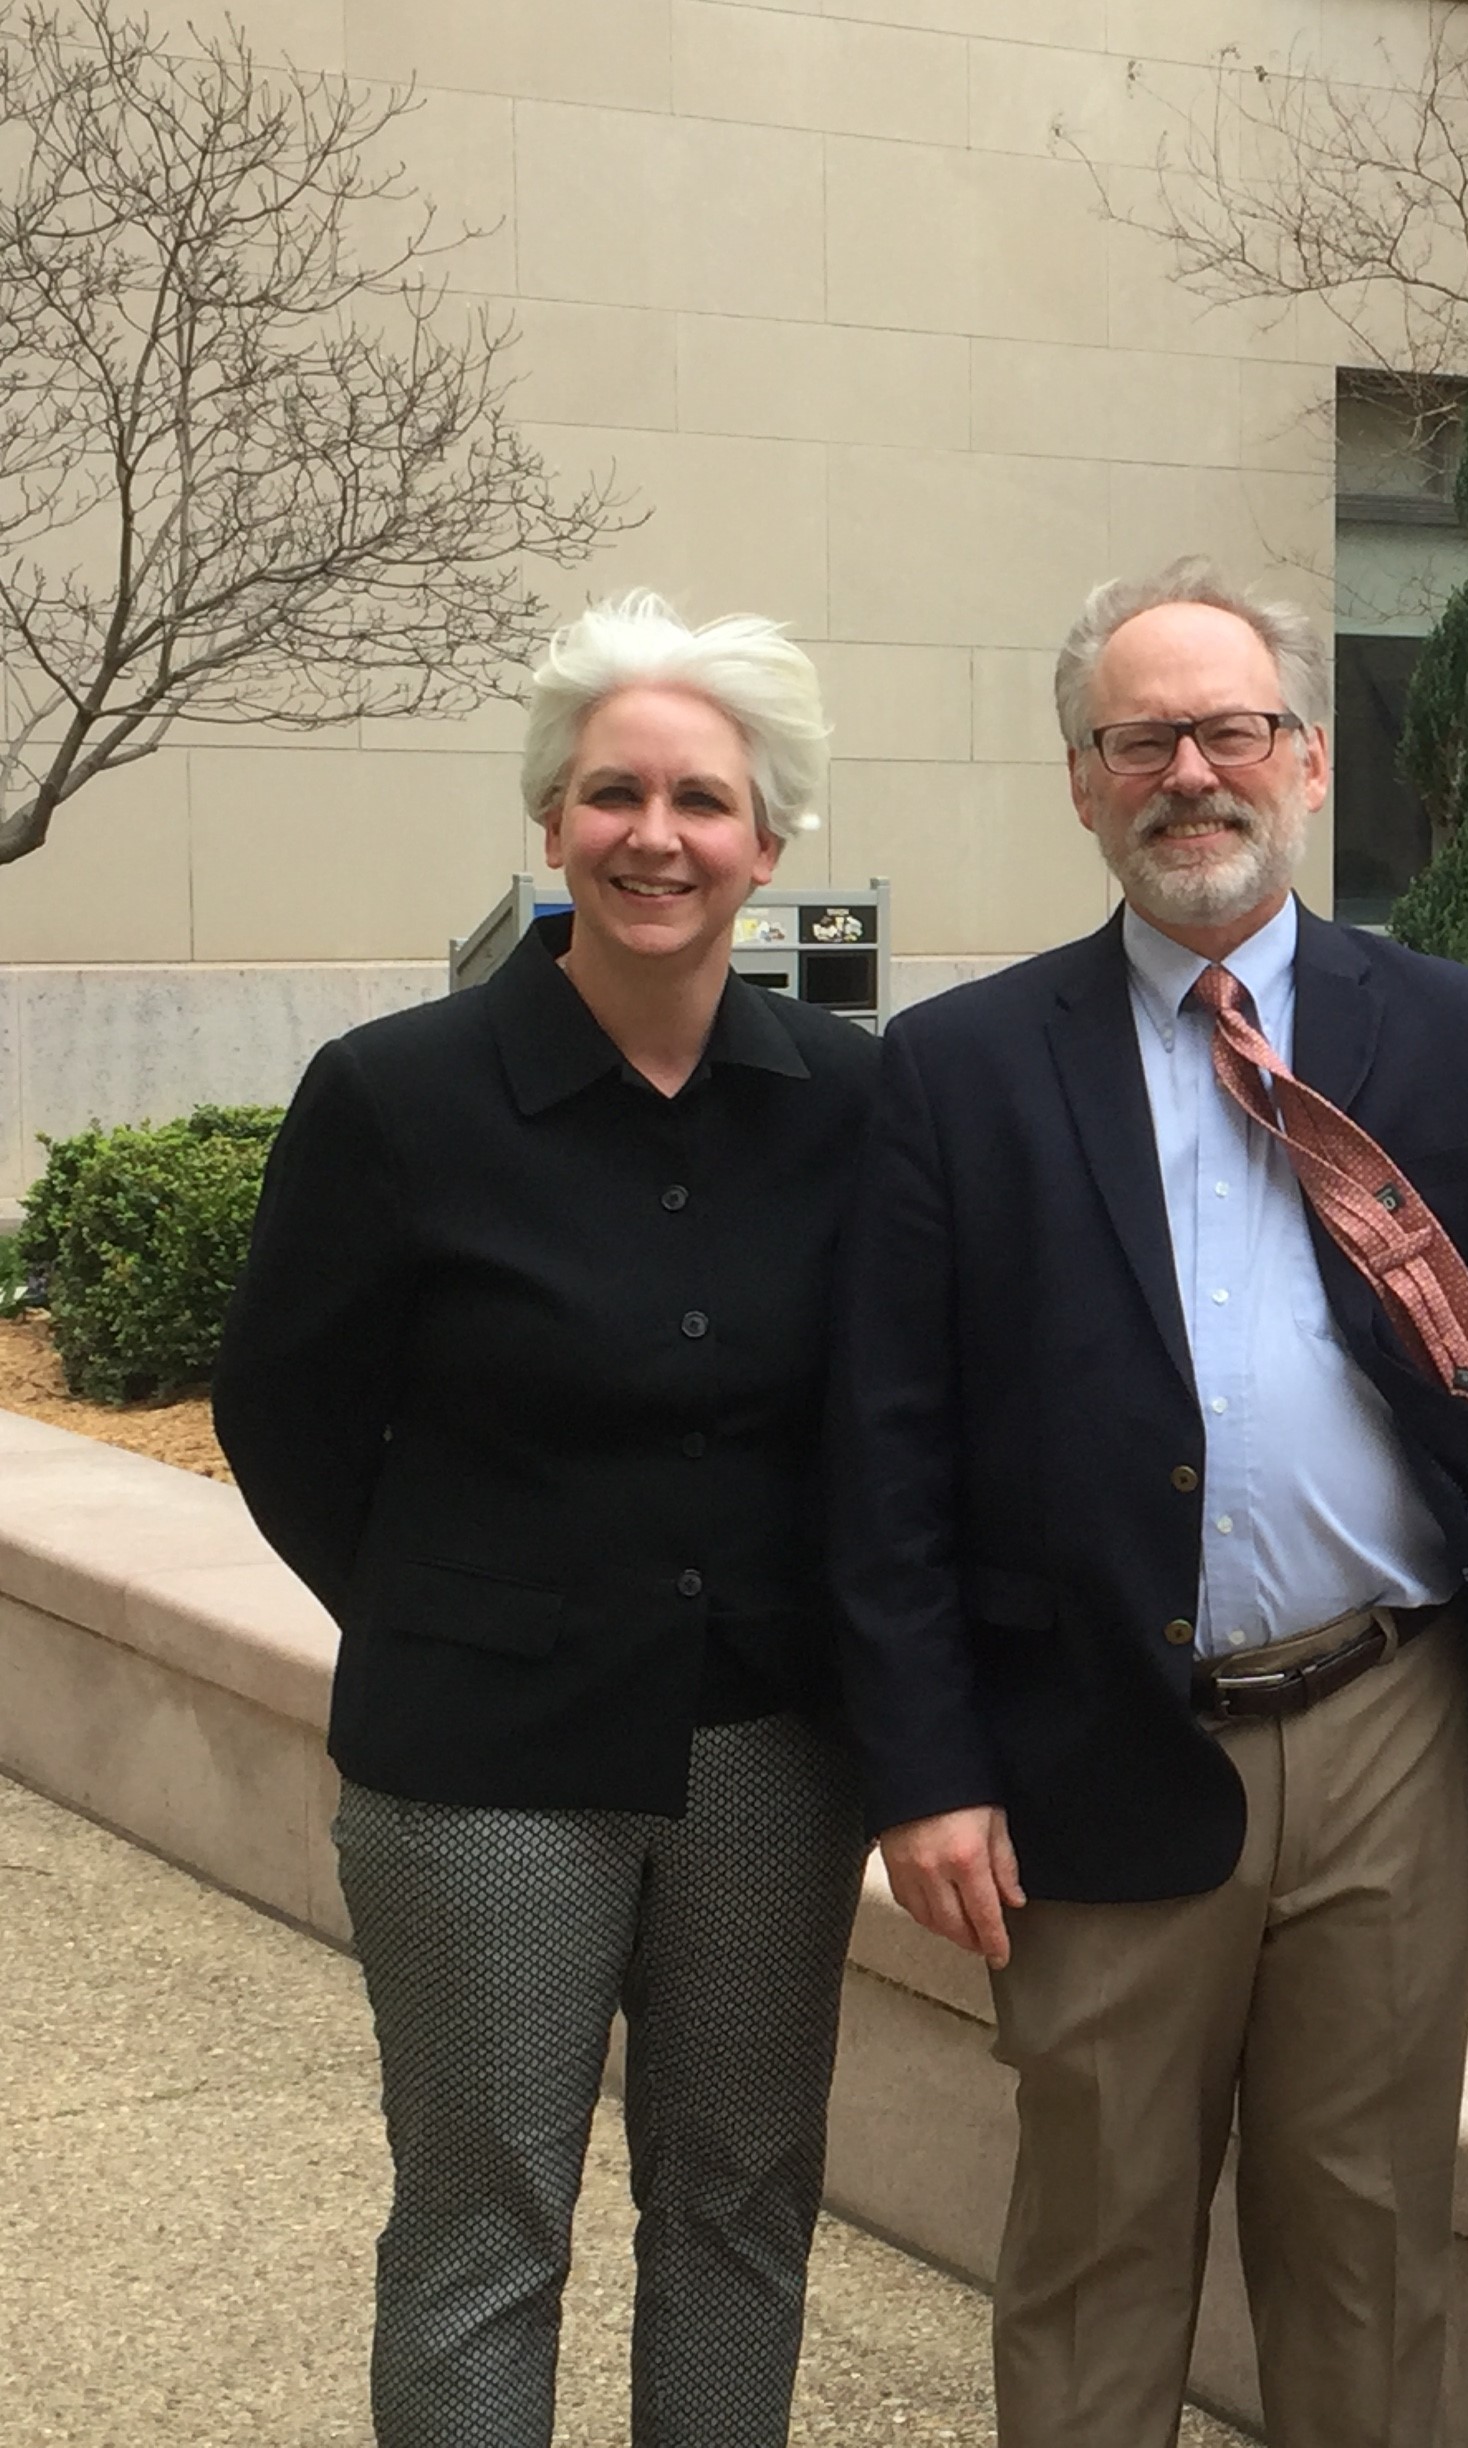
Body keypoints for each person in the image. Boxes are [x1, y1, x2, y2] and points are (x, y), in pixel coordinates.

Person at [828, 558, 1468, 2448]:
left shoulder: (1461, 1039)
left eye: (1230, 732)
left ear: (1311, 760)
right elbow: (888, 1450)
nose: (1190, 774)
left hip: (1393, 1722)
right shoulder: (961, 1068)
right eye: (1141, 742)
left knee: (1367, 2252)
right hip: (1094, 1732)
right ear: (1081, 781)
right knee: (1095, 2255)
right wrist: (926, 1769)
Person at [212, 594, 879, 2447]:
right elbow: (284, 1414)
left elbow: (891, 1422)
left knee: (743, 2205)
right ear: (551, 818)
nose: (655, 836)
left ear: (768, 842)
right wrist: (444, 1607)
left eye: (702, 800)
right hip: (480, 1766)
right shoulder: (395, 1096)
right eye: (613, 794)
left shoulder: (857, 1101)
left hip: (771, 1751)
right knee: (483, 2232)